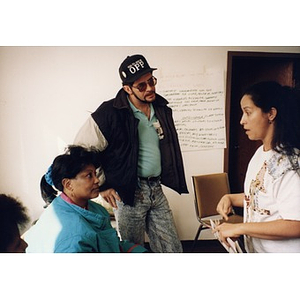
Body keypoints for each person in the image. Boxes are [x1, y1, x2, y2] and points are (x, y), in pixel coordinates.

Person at [74, 54, 188, 253]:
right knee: (132, 249)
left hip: (155, 188)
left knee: (172, 248)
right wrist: (102, 185)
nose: (150, 88)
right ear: (127, 89)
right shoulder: (109, 112)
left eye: (151, 81)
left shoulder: (161, 108)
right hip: (128, 193)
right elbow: (81, 149)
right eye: (141, 86)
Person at [215, 81, 300, 252]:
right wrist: (230, 198)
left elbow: (296, 223)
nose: (242, 120)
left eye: (248, 112)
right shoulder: (260, 153)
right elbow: (262, 196)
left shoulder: (290, 164)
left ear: (271, 114)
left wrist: (240, 227)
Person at [24, 145, 147, 253]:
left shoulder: (93, 208)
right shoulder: (73, 237)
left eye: (95, 174)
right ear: (68, 184)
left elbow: (112, 244)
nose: (97, 180)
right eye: (89, 175)